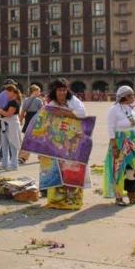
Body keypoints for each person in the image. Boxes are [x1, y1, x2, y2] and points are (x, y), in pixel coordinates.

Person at [42, 78, 89, 210]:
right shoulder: (51, 103)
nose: (62, 92)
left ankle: (73, 199)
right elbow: (45, 122)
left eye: (64, 90)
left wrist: (64, 112)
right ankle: (56, 200)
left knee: (72, 169)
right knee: (57, 170)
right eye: (59, 90)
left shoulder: (73, 101)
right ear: (55, 91)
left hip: (73, 141)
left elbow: (82, 113)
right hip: (56, 143)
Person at [104, 86, 135, 206]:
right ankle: (119, 198)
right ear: (125, 96)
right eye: (132, 95)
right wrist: (114, 146)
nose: (134, 97)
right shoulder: (114, 109)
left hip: (132, 141)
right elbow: (110, 128)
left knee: (131, 169)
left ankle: (133, 196)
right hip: (119, 141)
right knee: (118, 169)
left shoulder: (132, 109)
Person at [0, 84, 23, 171]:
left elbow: (8, 114)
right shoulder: (10, 102)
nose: (6, 94)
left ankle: (14, 165)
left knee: (12, 145)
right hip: (5, 124)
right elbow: (3, 113)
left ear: (13, 92)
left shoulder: (14, 102)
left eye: (7, 92)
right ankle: (5, 164)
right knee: (4, 145)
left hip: (11, 125)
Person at [18, 85, 44, 164]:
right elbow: (43, 112)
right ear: (35, 91)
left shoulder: (26, 100)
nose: (39, 93)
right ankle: (41, 157)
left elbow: (22, 111)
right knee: (39, 140)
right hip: (36, 121)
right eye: (38, 91)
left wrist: (21, 120)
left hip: (28, 120)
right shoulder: (39, 101)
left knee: (27, 140)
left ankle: (22, 157)